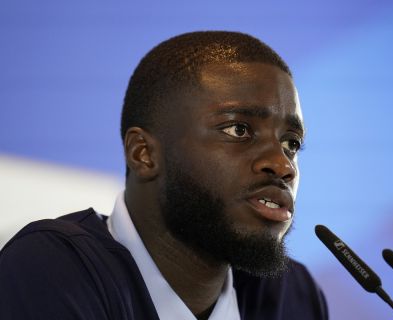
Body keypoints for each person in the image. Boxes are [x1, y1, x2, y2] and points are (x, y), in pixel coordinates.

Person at [0, 31, 328, 320]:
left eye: (291, 144)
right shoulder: (52, 268)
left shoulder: (294, 296)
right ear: (144, 153)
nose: (283, 165)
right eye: (238, 129)